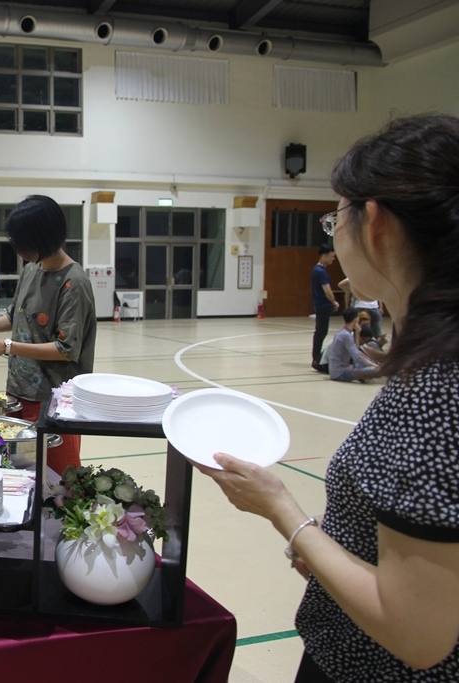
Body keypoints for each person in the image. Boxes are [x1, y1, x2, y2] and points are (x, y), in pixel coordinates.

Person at [196, 114, 459, 682]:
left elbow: (417, 632)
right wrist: (329, 544)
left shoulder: (435, 393)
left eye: (334, 216)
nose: (333, 236)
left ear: (376, 223)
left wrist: (283, 513)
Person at [0, 195, 96, 474]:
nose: (19, 249)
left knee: (58, 477)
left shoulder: (74, 282)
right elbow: (15, 315)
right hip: (18, 392)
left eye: (23, 241)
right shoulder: (31, 270)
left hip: (54, 399)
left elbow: (65, 348)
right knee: (19, 471)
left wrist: (8, 346)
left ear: (43, 236)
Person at [325, 308, 380, 382]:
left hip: (339, 370)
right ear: (356, 320)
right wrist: (375, 366)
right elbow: (356, 357)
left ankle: (364, 376)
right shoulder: (346, 335)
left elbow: (356, 351)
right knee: (375, 369)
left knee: (368, 363)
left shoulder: (342, 332)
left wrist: (357, 333)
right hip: (341, 372)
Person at [311, 244, 339, 371]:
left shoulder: (318, 270)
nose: (333, 259)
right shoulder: (320, 271)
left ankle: (316, 356)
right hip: (323, 305)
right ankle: (316, 357)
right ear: (325, 256)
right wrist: (334, 302)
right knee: (320, 332)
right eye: (332, 257)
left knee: (321, 332)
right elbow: (327, 290)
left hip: (320, 305)